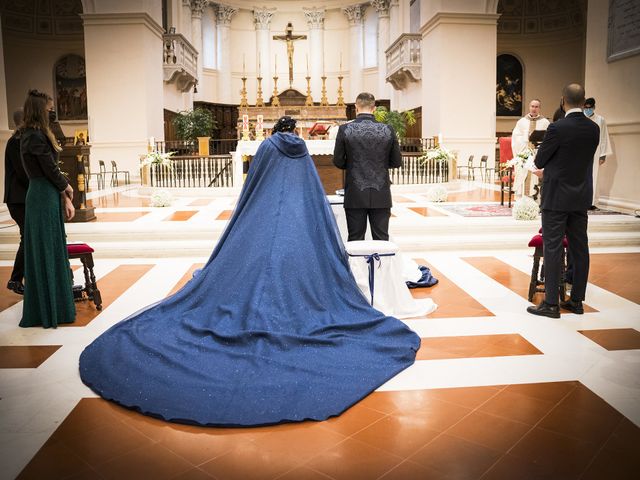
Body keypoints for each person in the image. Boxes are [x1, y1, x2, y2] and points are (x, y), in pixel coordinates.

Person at [79, 116, 420, 427]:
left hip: (268, 217)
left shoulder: (269, 147)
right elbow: (312, 189)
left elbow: (255, 183)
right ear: (296, 131)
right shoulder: (302, 150)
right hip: (307, 222)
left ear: (275, 130)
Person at [527, 84, 600, 319]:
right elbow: (576, 160)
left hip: (557, 197)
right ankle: (577, 300)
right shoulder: (594, 128)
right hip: (580, 198)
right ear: (583, 101)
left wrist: (547, 170)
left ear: (563, 101)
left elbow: (540, 160)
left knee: (553, 246)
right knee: (580, 248)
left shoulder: (557, 128)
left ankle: (551, 304)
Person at [19, 90, 76, 328]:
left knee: (51, 248)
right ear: (38, 109)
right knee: (45, 251)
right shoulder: (33, 137)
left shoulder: (36, 135)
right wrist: (66, 188)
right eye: (48, 108)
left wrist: (62, 194)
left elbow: (49, 169)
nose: (51, 111)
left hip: (46, 194)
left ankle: (55, 307)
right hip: (42, 195)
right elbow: (49, 169)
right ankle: (48, 310)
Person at [333, 92, 401, 241]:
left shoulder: (345, 130)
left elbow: (338, 161)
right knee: (382, 239)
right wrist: (380, 164)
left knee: (355, 238)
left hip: (355, 193)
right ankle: (381, 265)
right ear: (374, 108)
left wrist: (352, 166)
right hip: (381, 192)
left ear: (356, 107)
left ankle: (356, 266)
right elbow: (396, 162)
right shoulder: (388, 129)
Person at [3, 110, 28, 294]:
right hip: (17, 199)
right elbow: (22, 172)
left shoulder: (20, 141)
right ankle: (15, 279)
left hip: (22, 198)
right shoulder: (15, 142)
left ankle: (19, 278)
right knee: (27, 237)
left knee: (28, 237)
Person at [511, 99, 550, 195]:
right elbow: (515, 138)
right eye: (532, 106)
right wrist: (526, 137)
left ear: (539, 108)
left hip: (538, 155)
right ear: (529, 107)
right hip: (525, 154)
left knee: (535, 178)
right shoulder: (522, 122)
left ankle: (536, 200)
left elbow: (549, 139)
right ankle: (522, 199)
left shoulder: (545, 122)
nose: (534, 109)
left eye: (536, 107)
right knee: (523, 175)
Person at [583, 97, 613, 209]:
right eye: (585, 108)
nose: (587, 110)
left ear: (594, 107)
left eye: (590, 108)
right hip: (582, 151)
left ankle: (592, 202)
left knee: (594, 176)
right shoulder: (581, 118)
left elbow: (604, 137)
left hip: (596, 152)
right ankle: (582, 200)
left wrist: (603, 154)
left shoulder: (600, 120)